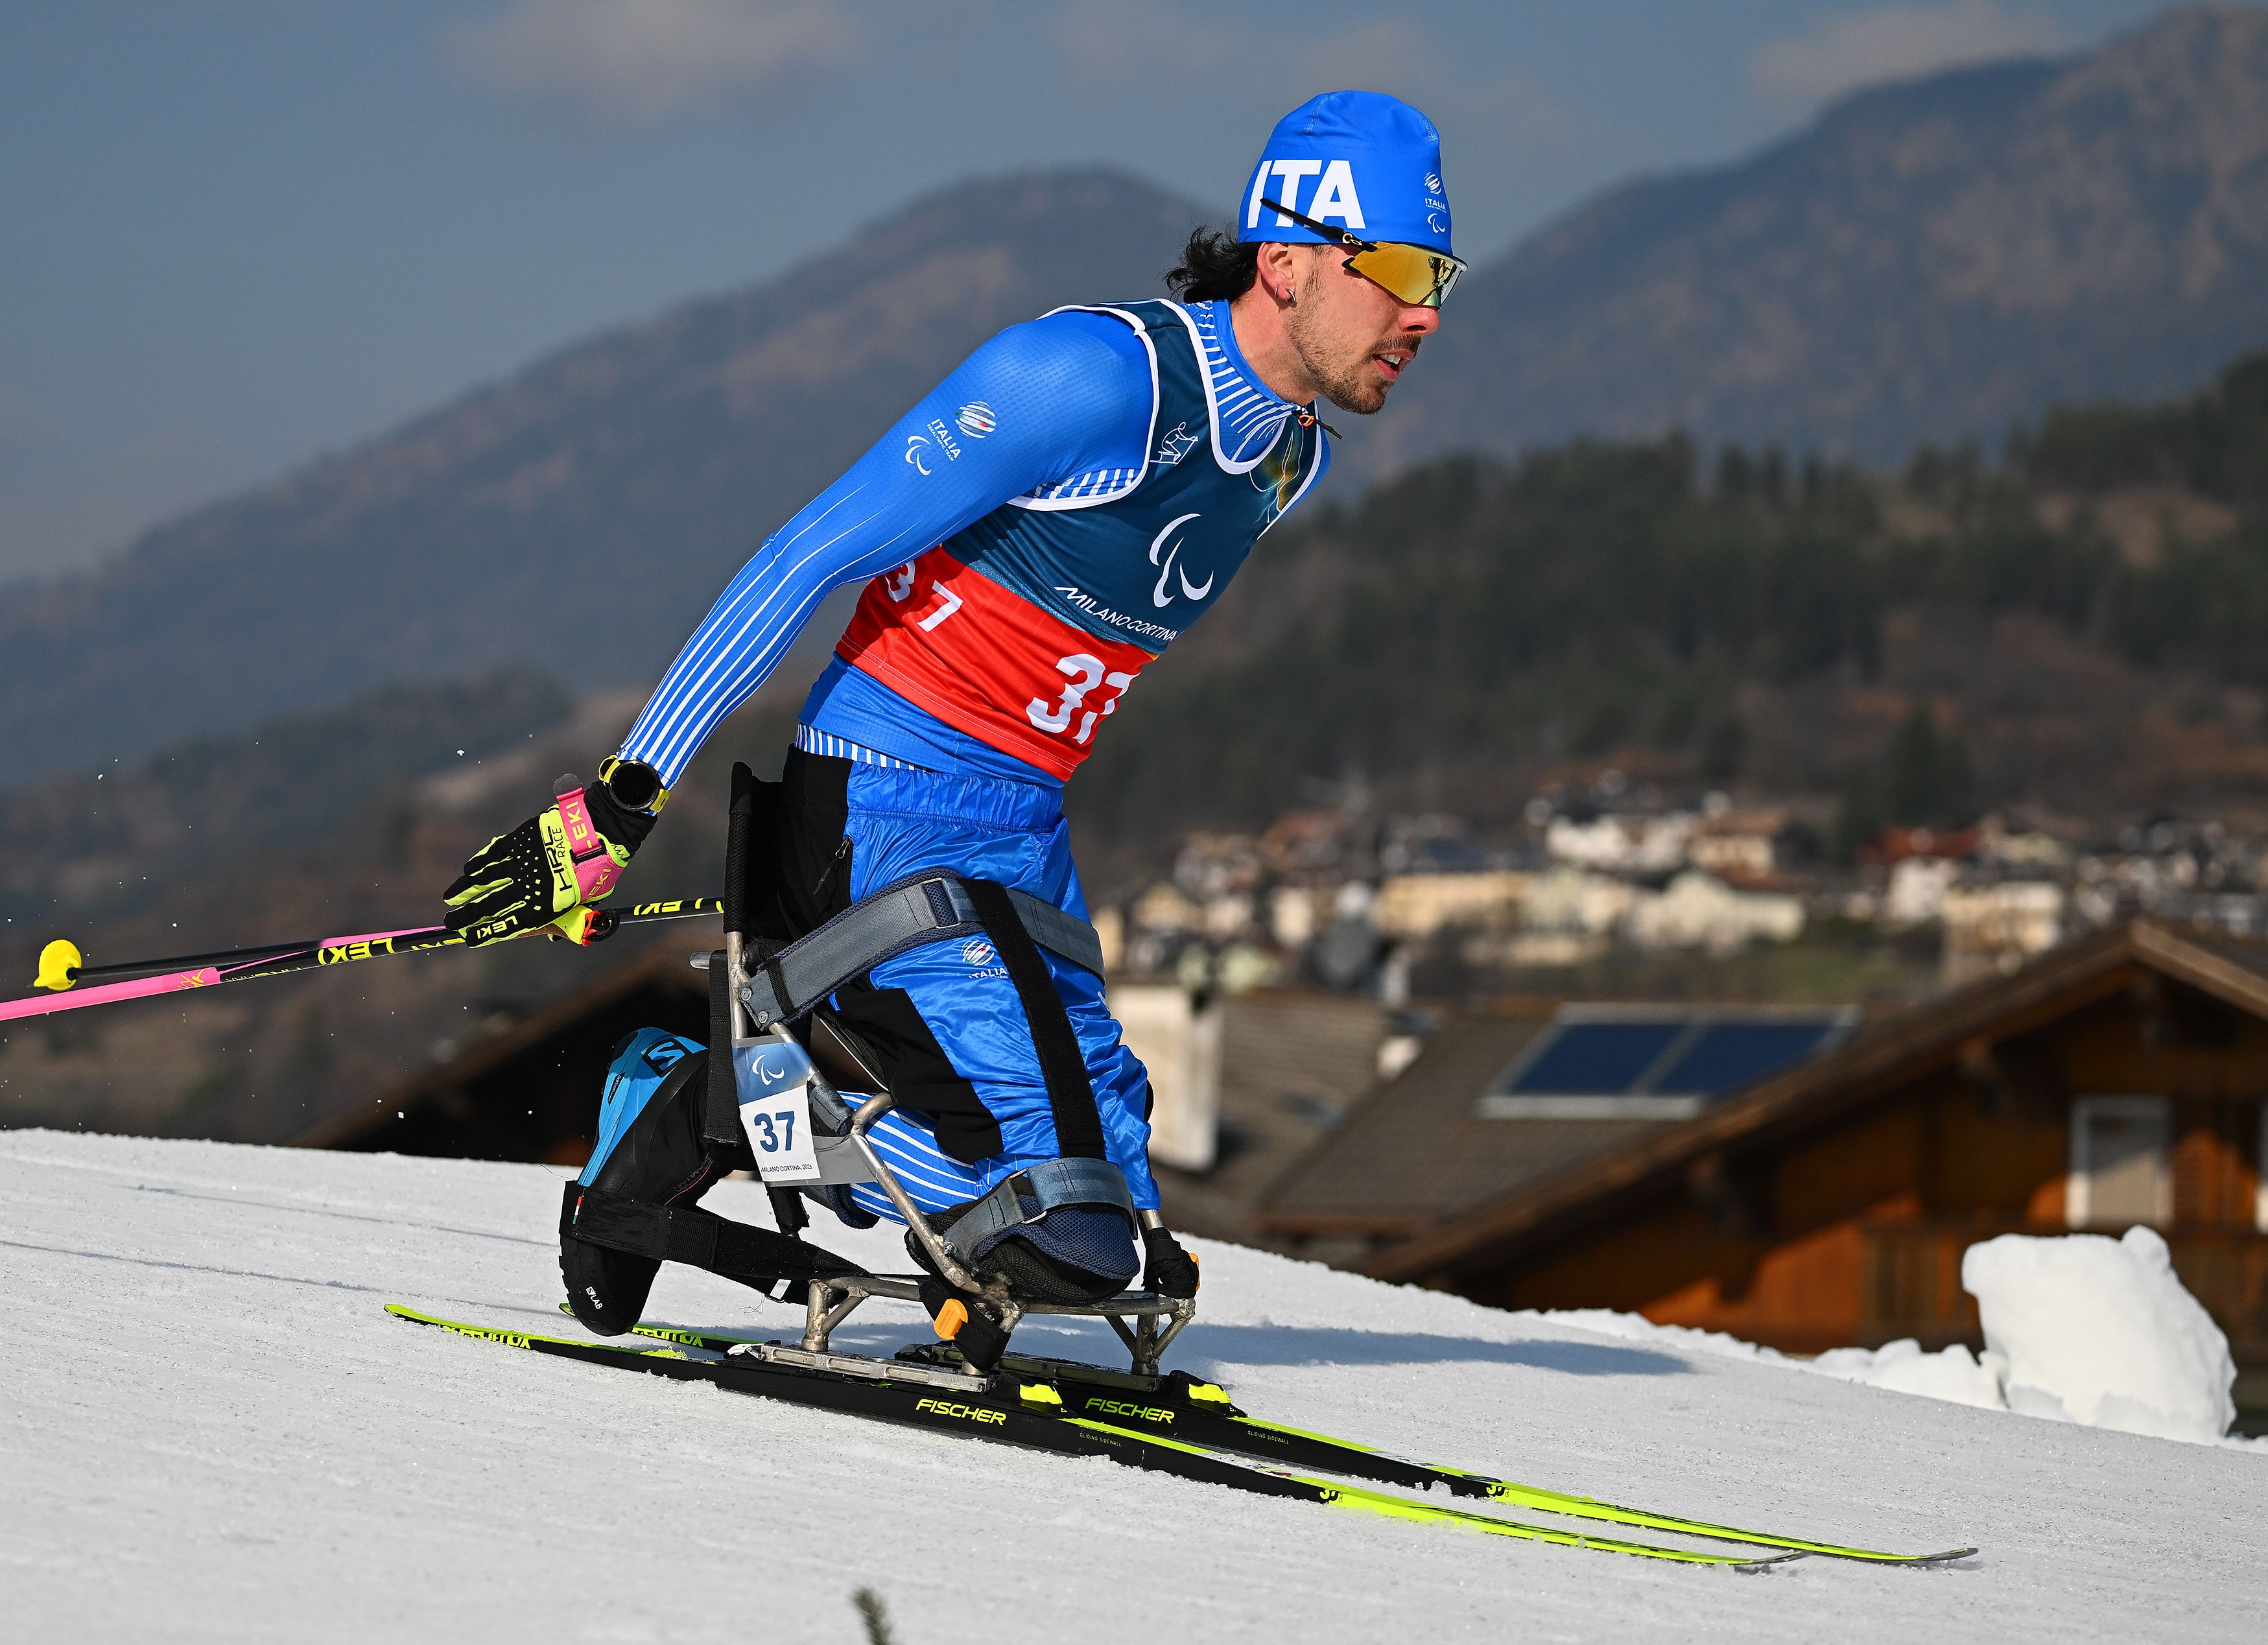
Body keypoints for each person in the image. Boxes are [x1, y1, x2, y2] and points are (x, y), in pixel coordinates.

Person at [443, 91, 1461, 1321]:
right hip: (878, 799)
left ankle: (725, 1091)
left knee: (1116, 1209)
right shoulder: (1092, 380)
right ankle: (691, 1106)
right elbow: (804, 556)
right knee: (1044, 1222)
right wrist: (621, 800)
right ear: (1286, 261)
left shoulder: (1290, 457)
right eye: (1401, 270)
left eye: (1441, 277)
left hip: (1020, 828)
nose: (1423, 313)